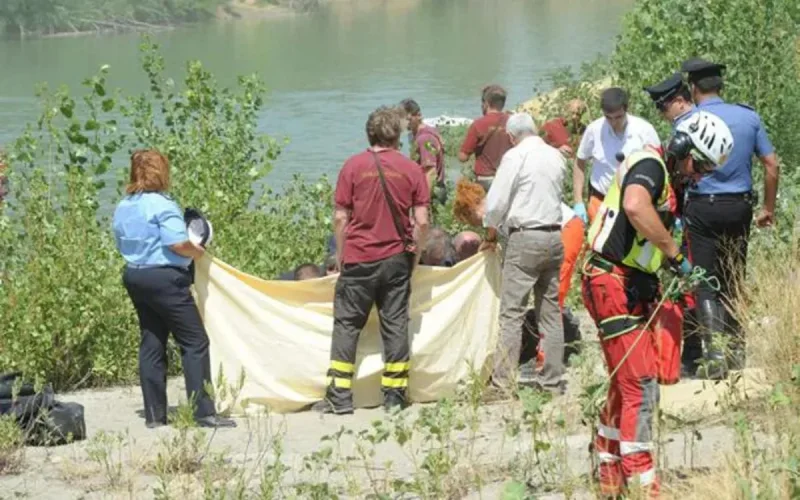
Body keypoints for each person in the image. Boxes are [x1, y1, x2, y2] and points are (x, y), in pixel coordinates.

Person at [581, 111, 734, 496]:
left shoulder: (664, 178)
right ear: (683, 149)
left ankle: (610, 474)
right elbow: (634, 206)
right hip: (611, 282)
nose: (698, 175)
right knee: (640, 384)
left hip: (624, 283)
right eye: (698, 165)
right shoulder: (650, 165)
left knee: (624, 381)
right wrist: (674, 254)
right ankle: (643, 481)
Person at [314, 106, 430, 415]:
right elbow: (422, 221)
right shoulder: (411, 170)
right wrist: (415, 258)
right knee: (394, 326)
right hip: (395, 260)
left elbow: (340, 218)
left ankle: (339, 397)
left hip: (359, 259)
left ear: (369, 133)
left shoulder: (352, 167)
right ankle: (394, 396)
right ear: (399, 136)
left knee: (347, 325)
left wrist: (341, 256)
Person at [112, 150, 236, 429]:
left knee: (152, 340)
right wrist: (198, 251)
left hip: (134, 275)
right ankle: (203, 412)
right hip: (165, 279)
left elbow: (121, 242)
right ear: (161, 172)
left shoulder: (124, 205)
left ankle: (155, 416)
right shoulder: (163, 206)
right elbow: (176, 244)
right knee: (195, 342)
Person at [679, 58, 780, 379]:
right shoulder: (748, 117)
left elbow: (683, 171)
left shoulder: (689, 121)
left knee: (706, 282)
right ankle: (738, 352)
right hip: (740, 207)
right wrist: (768, 208)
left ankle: (715, 357)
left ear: (693, 88)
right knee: (734, 276)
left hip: (703, 208)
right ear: (720, 86)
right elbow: (771, 164)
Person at [481, 112, 567, 401]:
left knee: (512, 313)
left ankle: (503, 384)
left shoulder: (514, 157)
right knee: (550, 312)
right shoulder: (556, 156)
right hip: (555, 236)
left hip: (525, 237)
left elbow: (495, 204)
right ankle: (553, 382)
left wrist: (490, 233)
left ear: (510, 136)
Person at [573, 88, 661, 224]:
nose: (614, 122)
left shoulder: (644, 130)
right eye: (609, 118)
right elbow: (580, 162)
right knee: (598, 243)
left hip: (635, 201)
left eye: (618, 117)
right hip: (601, 199)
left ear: (626, 110)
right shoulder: (594, 130)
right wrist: (578, 200)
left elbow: (658, 167)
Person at [458, 85, 514, 192]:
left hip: (485, 179)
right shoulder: (512, 122)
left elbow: (463, 157)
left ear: (486, 104)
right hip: (507, 177)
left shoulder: (478, 124)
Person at [400, 99, 447, 206]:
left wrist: (423, 203)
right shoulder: (419, 134)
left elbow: (430, 171)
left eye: (408, 119)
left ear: (419, 116)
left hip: (433, 191)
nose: (405, 123)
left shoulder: (425, 138)